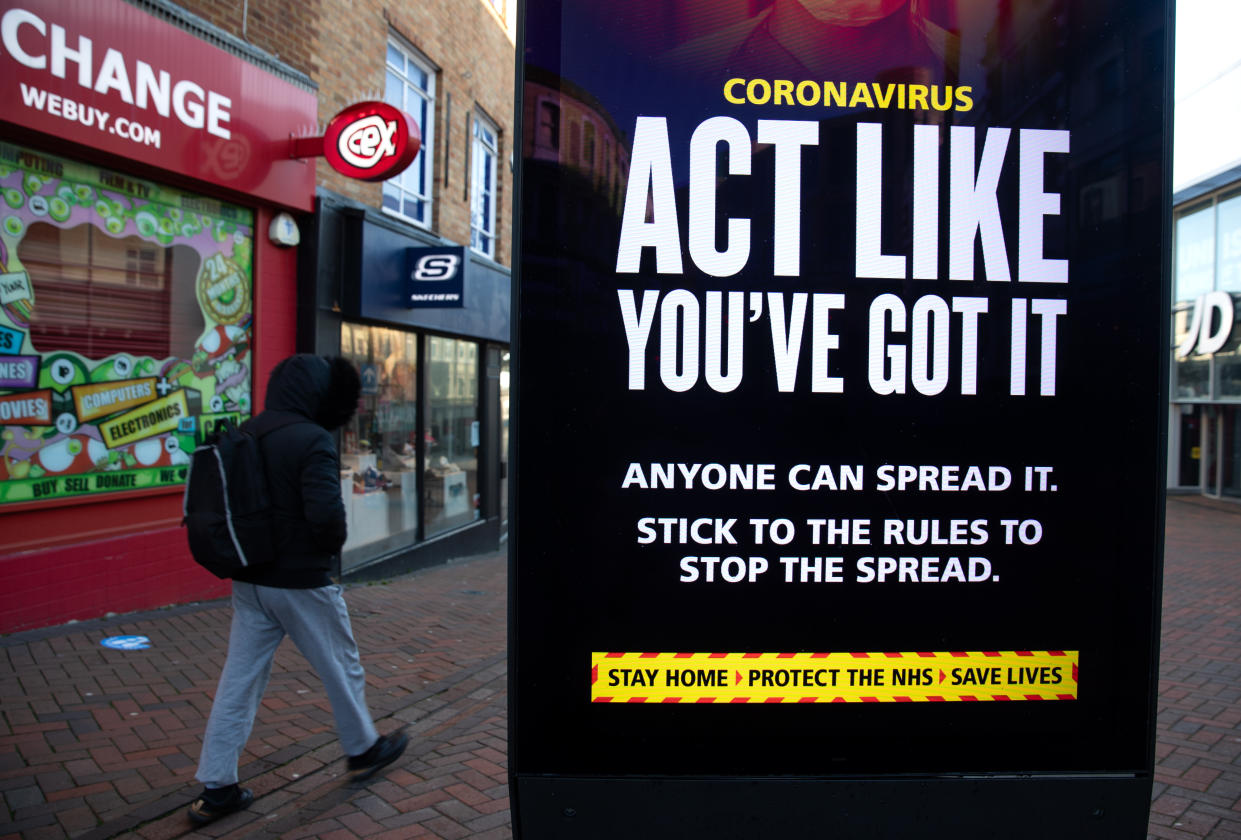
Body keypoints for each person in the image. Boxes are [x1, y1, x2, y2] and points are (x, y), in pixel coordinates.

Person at [187, 354, 408, 826]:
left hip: (250, 580)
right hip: (301, 580)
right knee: (341, 666)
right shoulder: (311, 439)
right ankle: (363, 748)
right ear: (314, 393)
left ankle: (217, 785)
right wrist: (328, 552)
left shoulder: (249, 430)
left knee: (239, 680)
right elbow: (326, 515)